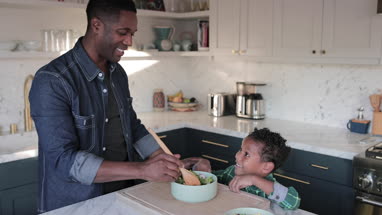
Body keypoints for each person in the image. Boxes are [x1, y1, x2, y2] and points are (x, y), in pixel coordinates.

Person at [29, 0, 183, 213]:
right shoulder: (53, 80)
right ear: (96, 25)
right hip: (74, 206)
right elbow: (64, 160)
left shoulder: (117, 73)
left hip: (122, 196)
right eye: (123, 32)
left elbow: (132, 126)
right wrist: (142, 169)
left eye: (132, 33)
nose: (129, 41)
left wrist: (162, 158)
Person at [185, 128, 301, 210]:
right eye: (241, 150)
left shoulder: (268, 188)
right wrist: (201, 169)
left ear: (266, 167)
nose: (237, 156)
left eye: (247, 154)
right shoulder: (231, 172)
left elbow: (293, 201)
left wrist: (254, 180)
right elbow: (212, 179)